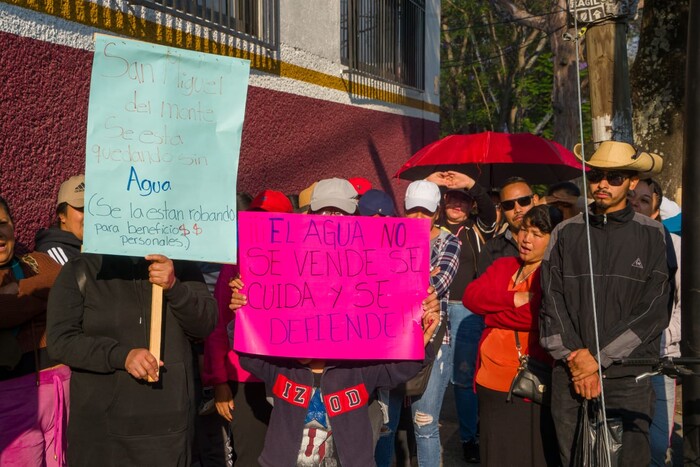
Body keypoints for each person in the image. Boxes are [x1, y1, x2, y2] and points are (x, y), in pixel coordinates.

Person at [540, 141, 671, 466]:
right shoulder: (565, 233)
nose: (602, 184)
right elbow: (551, 302)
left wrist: (597, 358)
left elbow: (655, 311)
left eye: (614, 178)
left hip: (628, 379)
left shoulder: (654, 234)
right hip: (570, 377)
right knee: (573, 459)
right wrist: (576, 359)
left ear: (631, 181)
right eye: (596, 175)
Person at [46, 252, 217, 466]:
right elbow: (61, 341)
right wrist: (121, 356)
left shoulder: (182, 266)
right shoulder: (81, 269)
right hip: (103, 437)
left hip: (170, 431)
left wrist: (174, 287)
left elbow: (204, 325)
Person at [463, 205, 561, 466]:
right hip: (488, 383)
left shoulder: (553, 273)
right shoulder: (504, 265)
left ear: (554, 238)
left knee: (526, 454)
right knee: (493, 453)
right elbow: (471, 297)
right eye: (523, 231)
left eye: (537, 233)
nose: (526, 239)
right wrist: (514, 298)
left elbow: (540, 317)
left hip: (526, 384)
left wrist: (492, 313)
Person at [203, 190, 293, 466]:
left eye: (272, 222)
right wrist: (219, 382)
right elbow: (217, 327)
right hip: (244, 379)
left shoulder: (304, 266)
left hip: (292, 378)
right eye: (256, 221)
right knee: (251, 457)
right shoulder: (235, 266)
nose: (264, 228)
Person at [376, 180, 461, 467]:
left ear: (437, 212)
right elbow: (378, 285)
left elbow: (439, 283)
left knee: (424, 427)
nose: (419, 218)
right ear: (404, 209)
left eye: (426, 211)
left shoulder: (450, 242)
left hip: (434, 345)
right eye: (413, 210)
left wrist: (400, 279)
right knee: (386, 426)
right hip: (391, 343)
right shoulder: (390, 238)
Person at [425, 170, 497, 462]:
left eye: (464, 200)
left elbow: (490, 211)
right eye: (452, 198)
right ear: (442, 202)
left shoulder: (477, 230)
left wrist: (469, 184)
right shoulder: (429, 226)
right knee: (430, 373)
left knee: (463, 377)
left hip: (466, 311)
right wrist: (431, 182)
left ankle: (469, 437)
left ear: (471, 205)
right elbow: (415, 208)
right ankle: (426, 424)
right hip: (433, 308)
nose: (458, 204)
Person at [0, 195, 66, 466]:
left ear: (14, 226)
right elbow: (4, 312)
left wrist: (21, 289)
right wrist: (44, 294)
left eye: (3, 222)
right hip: (13, 401)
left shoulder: (37, 261)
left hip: (63, 393)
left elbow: (70, 282)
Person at [628, 178, 681, 466]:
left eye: (644, 200)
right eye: (632, 197)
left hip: (660, 359)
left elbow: (686, 306)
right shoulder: (608, 242)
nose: (636, 204)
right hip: (618, 361)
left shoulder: (675, 246)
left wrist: (664, 335)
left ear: (656, 212)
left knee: (657, 445)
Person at [477, 177, 539, 275]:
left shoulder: (554, 240)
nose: (517, 209)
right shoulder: (491, 250)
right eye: (508, 205)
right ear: (502, 209)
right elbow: (482, 289)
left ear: (535, 200)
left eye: (523, 201)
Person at [35, 175, 85, 265]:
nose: (90, 215)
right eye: (82, 208)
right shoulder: (53, 251)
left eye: (94, 209)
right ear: (62, 215)